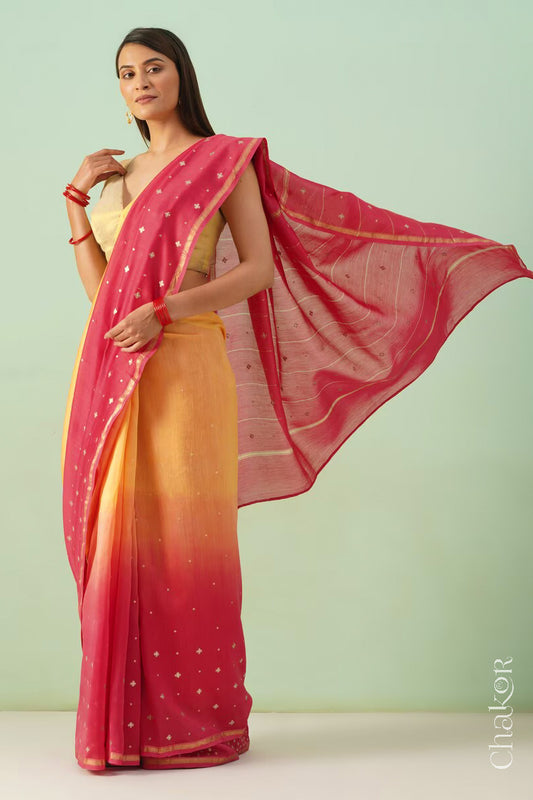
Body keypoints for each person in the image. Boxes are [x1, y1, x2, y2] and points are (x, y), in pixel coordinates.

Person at [61, 26, 533, 772]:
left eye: (154, 67)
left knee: (189, 541)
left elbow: (253, 271)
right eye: (126, 73)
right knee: (121, 537)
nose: (141, 81)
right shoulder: (113, 180)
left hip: (187, 368)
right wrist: (76, 203)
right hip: (117, 376)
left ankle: (194, 722)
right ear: (118, 91)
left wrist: (169, 312)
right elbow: (102, 302)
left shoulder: (221, 163)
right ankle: (125, 724)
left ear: (180, 76)